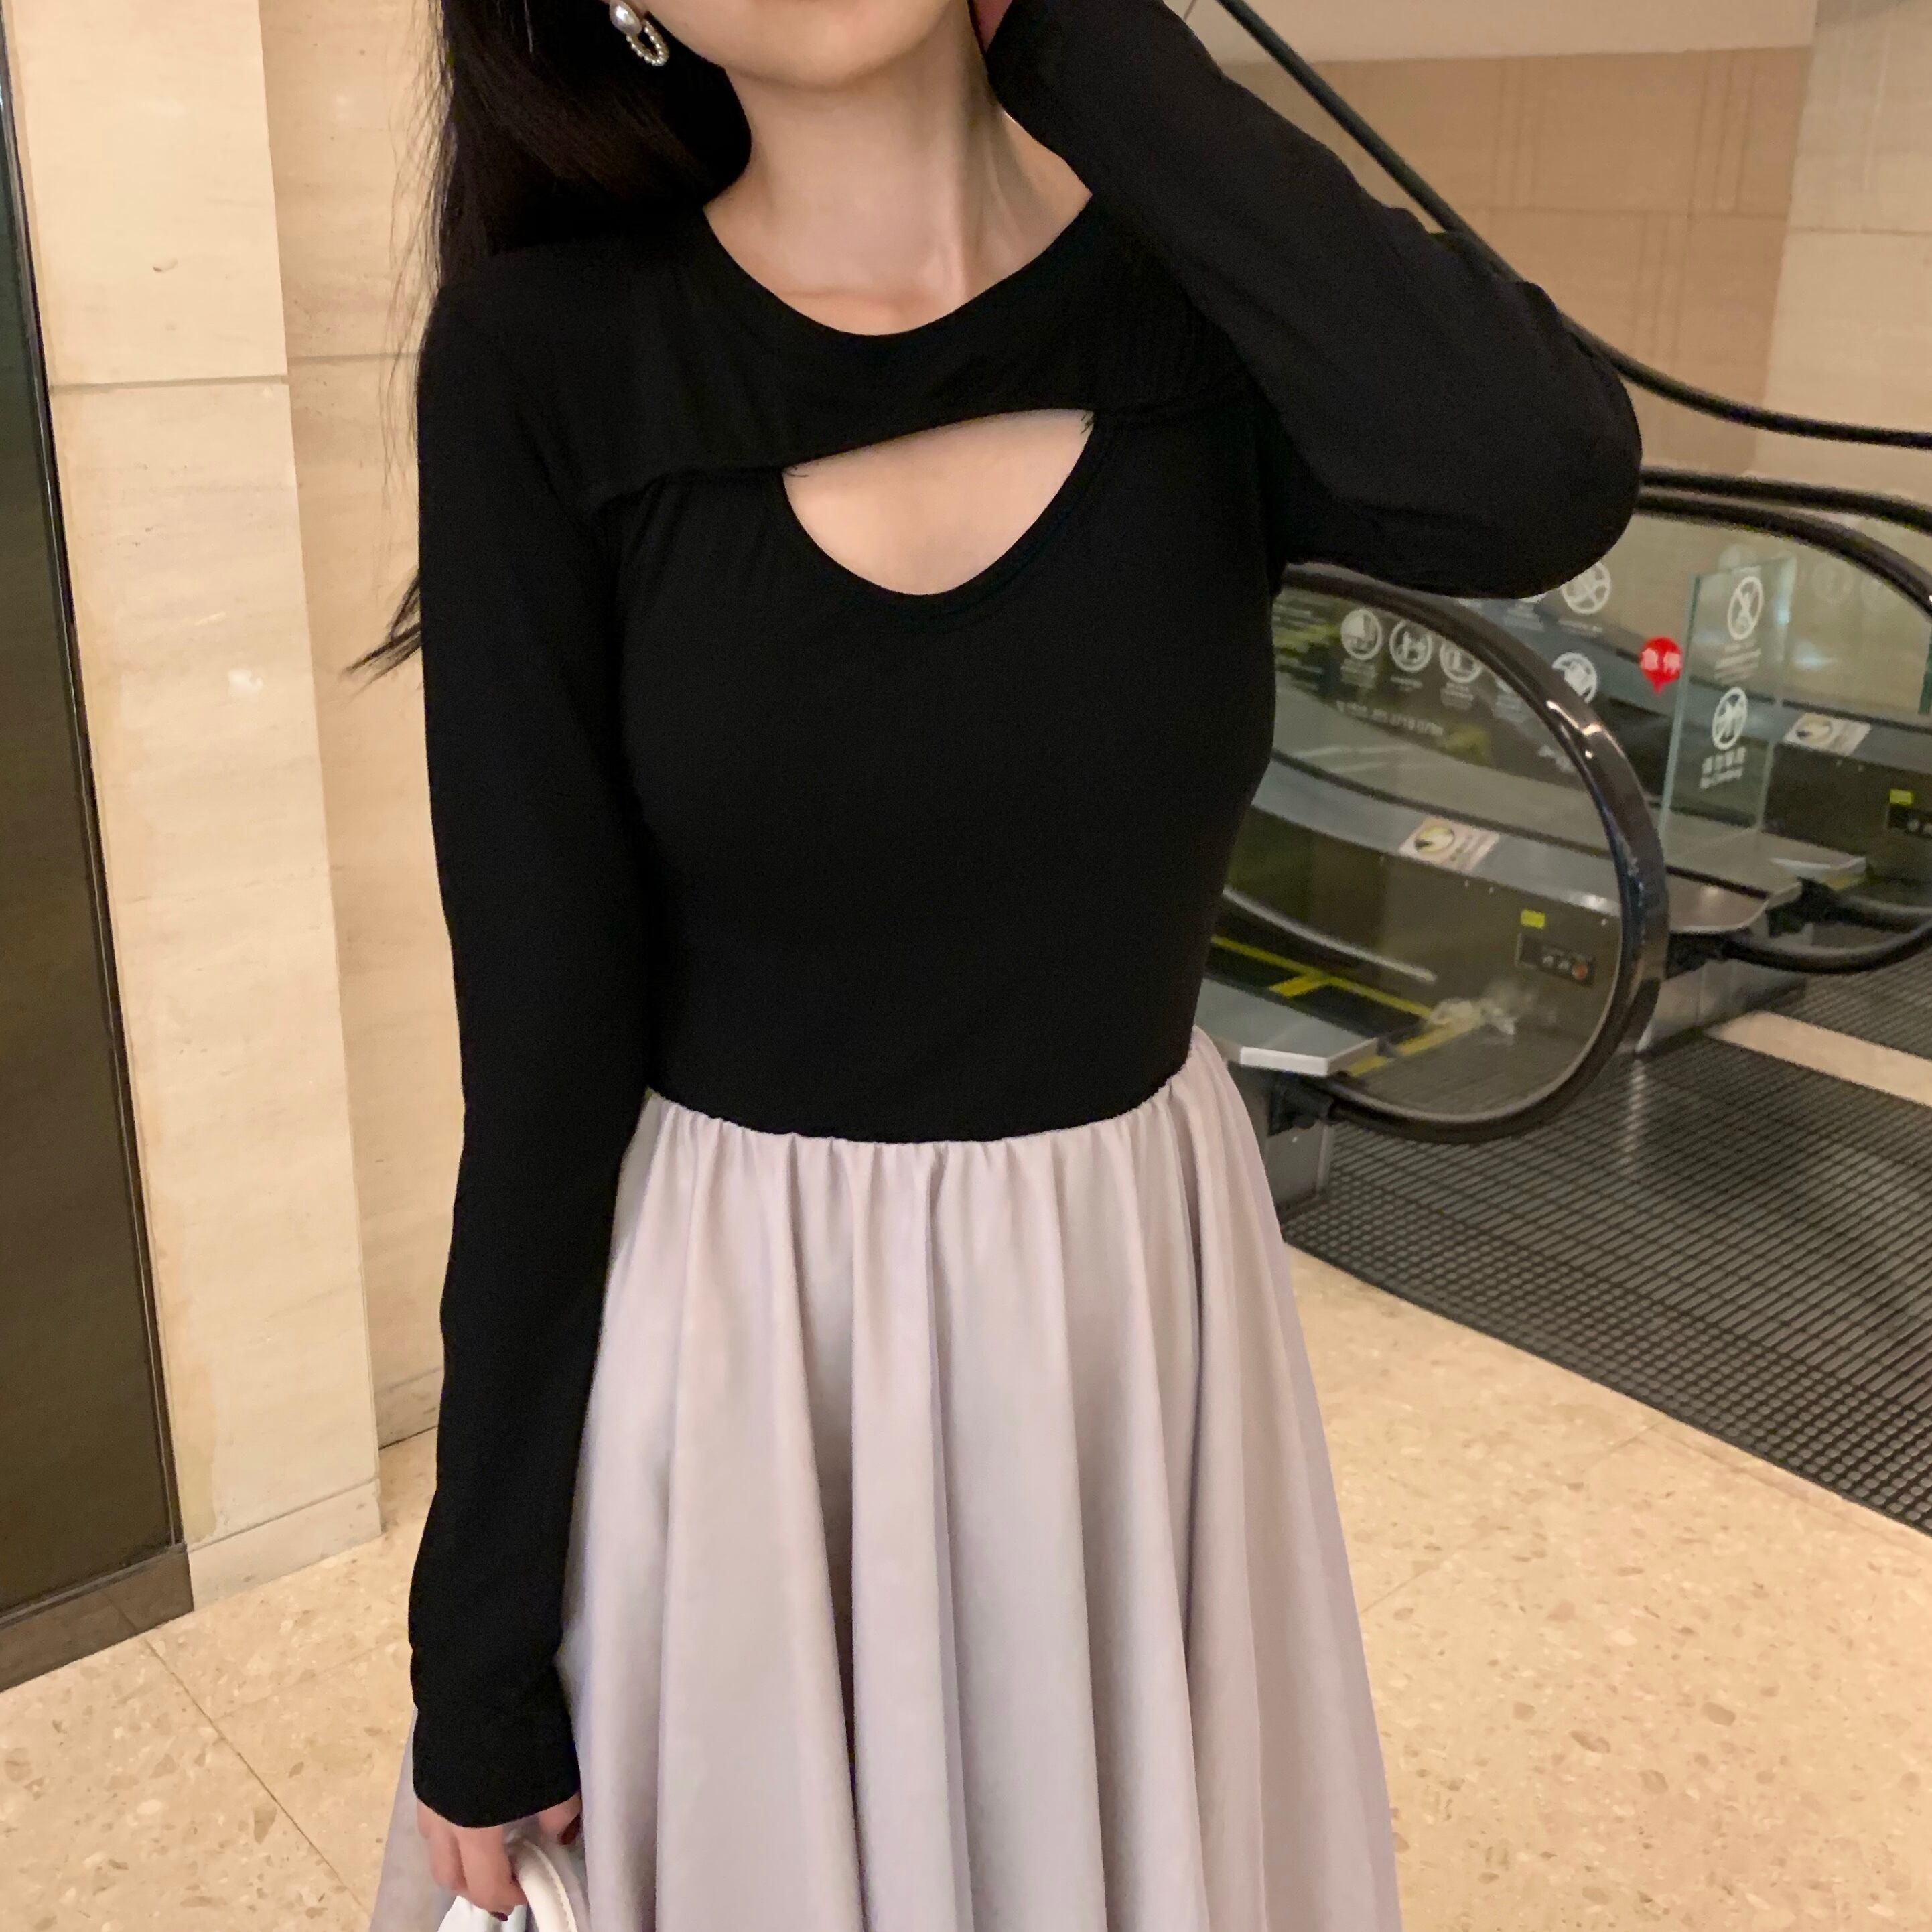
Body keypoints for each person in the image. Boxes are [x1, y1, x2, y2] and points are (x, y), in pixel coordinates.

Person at [361, 0, 1641, 1921]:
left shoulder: (1193, 299)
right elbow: (541, 1043)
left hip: (1130, 1301)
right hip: (747, 1347)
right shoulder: (552, 358)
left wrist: (1077, 40)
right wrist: (474, 1646)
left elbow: (1535, 472)